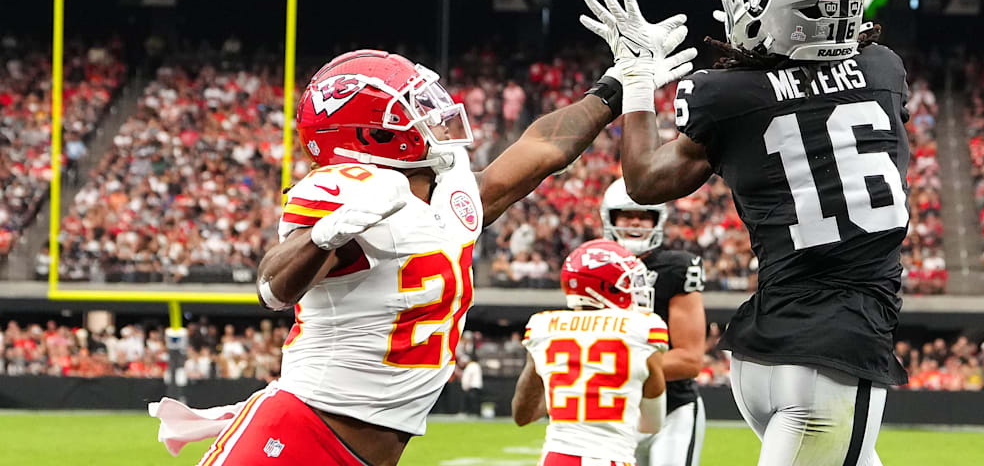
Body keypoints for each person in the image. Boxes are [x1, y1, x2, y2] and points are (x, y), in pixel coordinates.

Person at [152, 43, 696, 466]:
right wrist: (324, 235)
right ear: (370, 132)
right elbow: (273, 286)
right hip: (302, 433)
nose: (434, 116)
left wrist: (614, 90)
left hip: (365, 448)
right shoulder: (344, 190)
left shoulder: (445, 197)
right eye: (414, 109)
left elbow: (540, 152)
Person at [583, 0, 910, 465]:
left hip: (763, 351)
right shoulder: (883, 72)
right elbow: (823, 87)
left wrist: (639, 82)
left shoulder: (726, 96)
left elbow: (643, 181)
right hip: (834, 351)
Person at [512, 239, 669, 466]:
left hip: (555, 459)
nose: (636, 289)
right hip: (610, 458)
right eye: (628, 282)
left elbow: (522, 415)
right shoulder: (643, 328)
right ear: (604, 287)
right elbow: (652, 424)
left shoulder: (543, 327)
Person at [600, 179, 708, 466]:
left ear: (657, 221)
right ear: (610, 218)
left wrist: (615, 365)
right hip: (615, 414)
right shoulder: (594, 268)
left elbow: (689, 360)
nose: (635, 223)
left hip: (672, 409)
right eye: (626, 215)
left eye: (644, 216)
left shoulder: (677, 267)